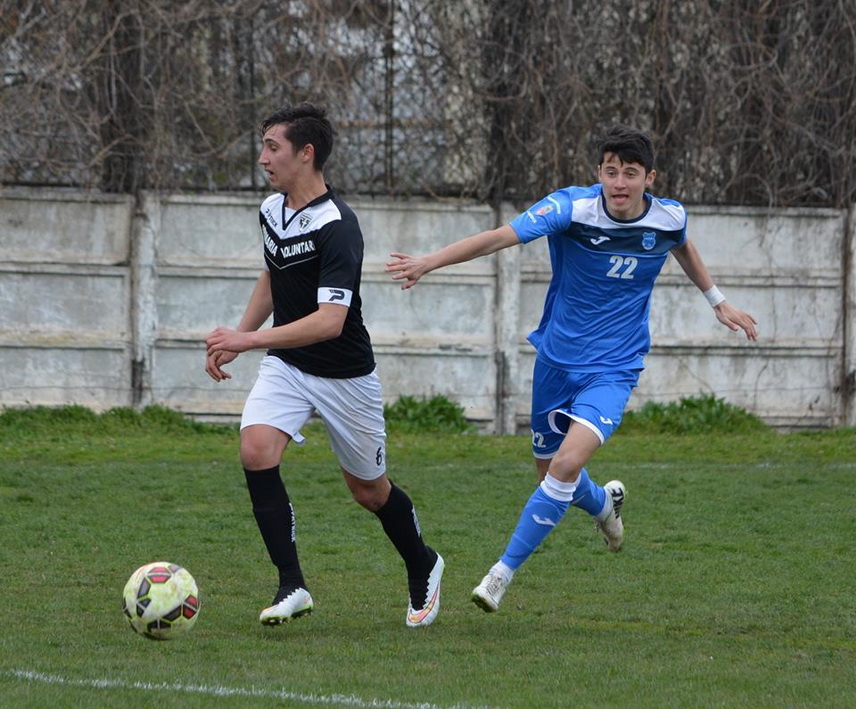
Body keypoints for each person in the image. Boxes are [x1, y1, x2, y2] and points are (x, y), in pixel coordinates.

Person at [386, 124, 757, 613]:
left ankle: (501, 574)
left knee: (564, 467)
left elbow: (681, 243)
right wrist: (429, 262)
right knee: (549, 475)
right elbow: (499, 237)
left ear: (649, 178)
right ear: (598, 172)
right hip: (556, 362)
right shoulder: (570, 208)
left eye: (630, 173)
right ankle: (604, 505)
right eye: (611, 171)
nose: (619, 183)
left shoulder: (668, 217)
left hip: (614, 368)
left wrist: (717, 300)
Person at [205, 103, 443, 628]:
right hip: (287, 364)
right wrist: (240, 337)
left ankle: (423, 562)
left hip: (345, 375)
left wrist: (247, 339)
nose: (263, 157)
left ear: (305, 153)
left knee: (369, 491)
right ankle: (292, 584)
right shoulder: (272, 210)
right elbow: (273, 277)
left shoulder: (339, 226)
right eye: (264, 146)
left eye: (273, 147)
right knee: (255, 450)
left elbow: (330, 321)